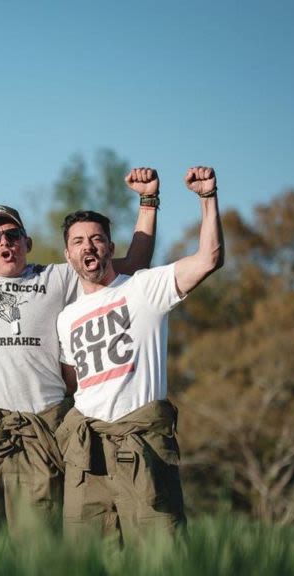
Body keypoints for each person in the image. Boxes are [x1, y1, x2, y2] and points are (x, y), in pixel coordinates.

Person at [0, 169, 159, 563]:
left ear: (27, 243)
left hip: (41, 425)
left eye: (11, 235)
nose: (4, 242)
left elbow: (131, 267)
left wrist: (147, 203)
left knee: (37, 545)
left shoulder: (59, 278)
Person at [55, 167, 223, 546]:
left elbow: (209, 258)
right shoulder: (66, 318)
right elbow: (70, 383)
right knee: (87, 562)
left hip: (142, 445)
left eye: (97, 239)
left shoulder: (144, 289)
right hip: (89, 455)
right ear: (68, 255)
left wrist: (207, 198)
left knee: (161, 552)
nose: (89, 247)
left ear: (111, 248)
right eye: (79, 241)